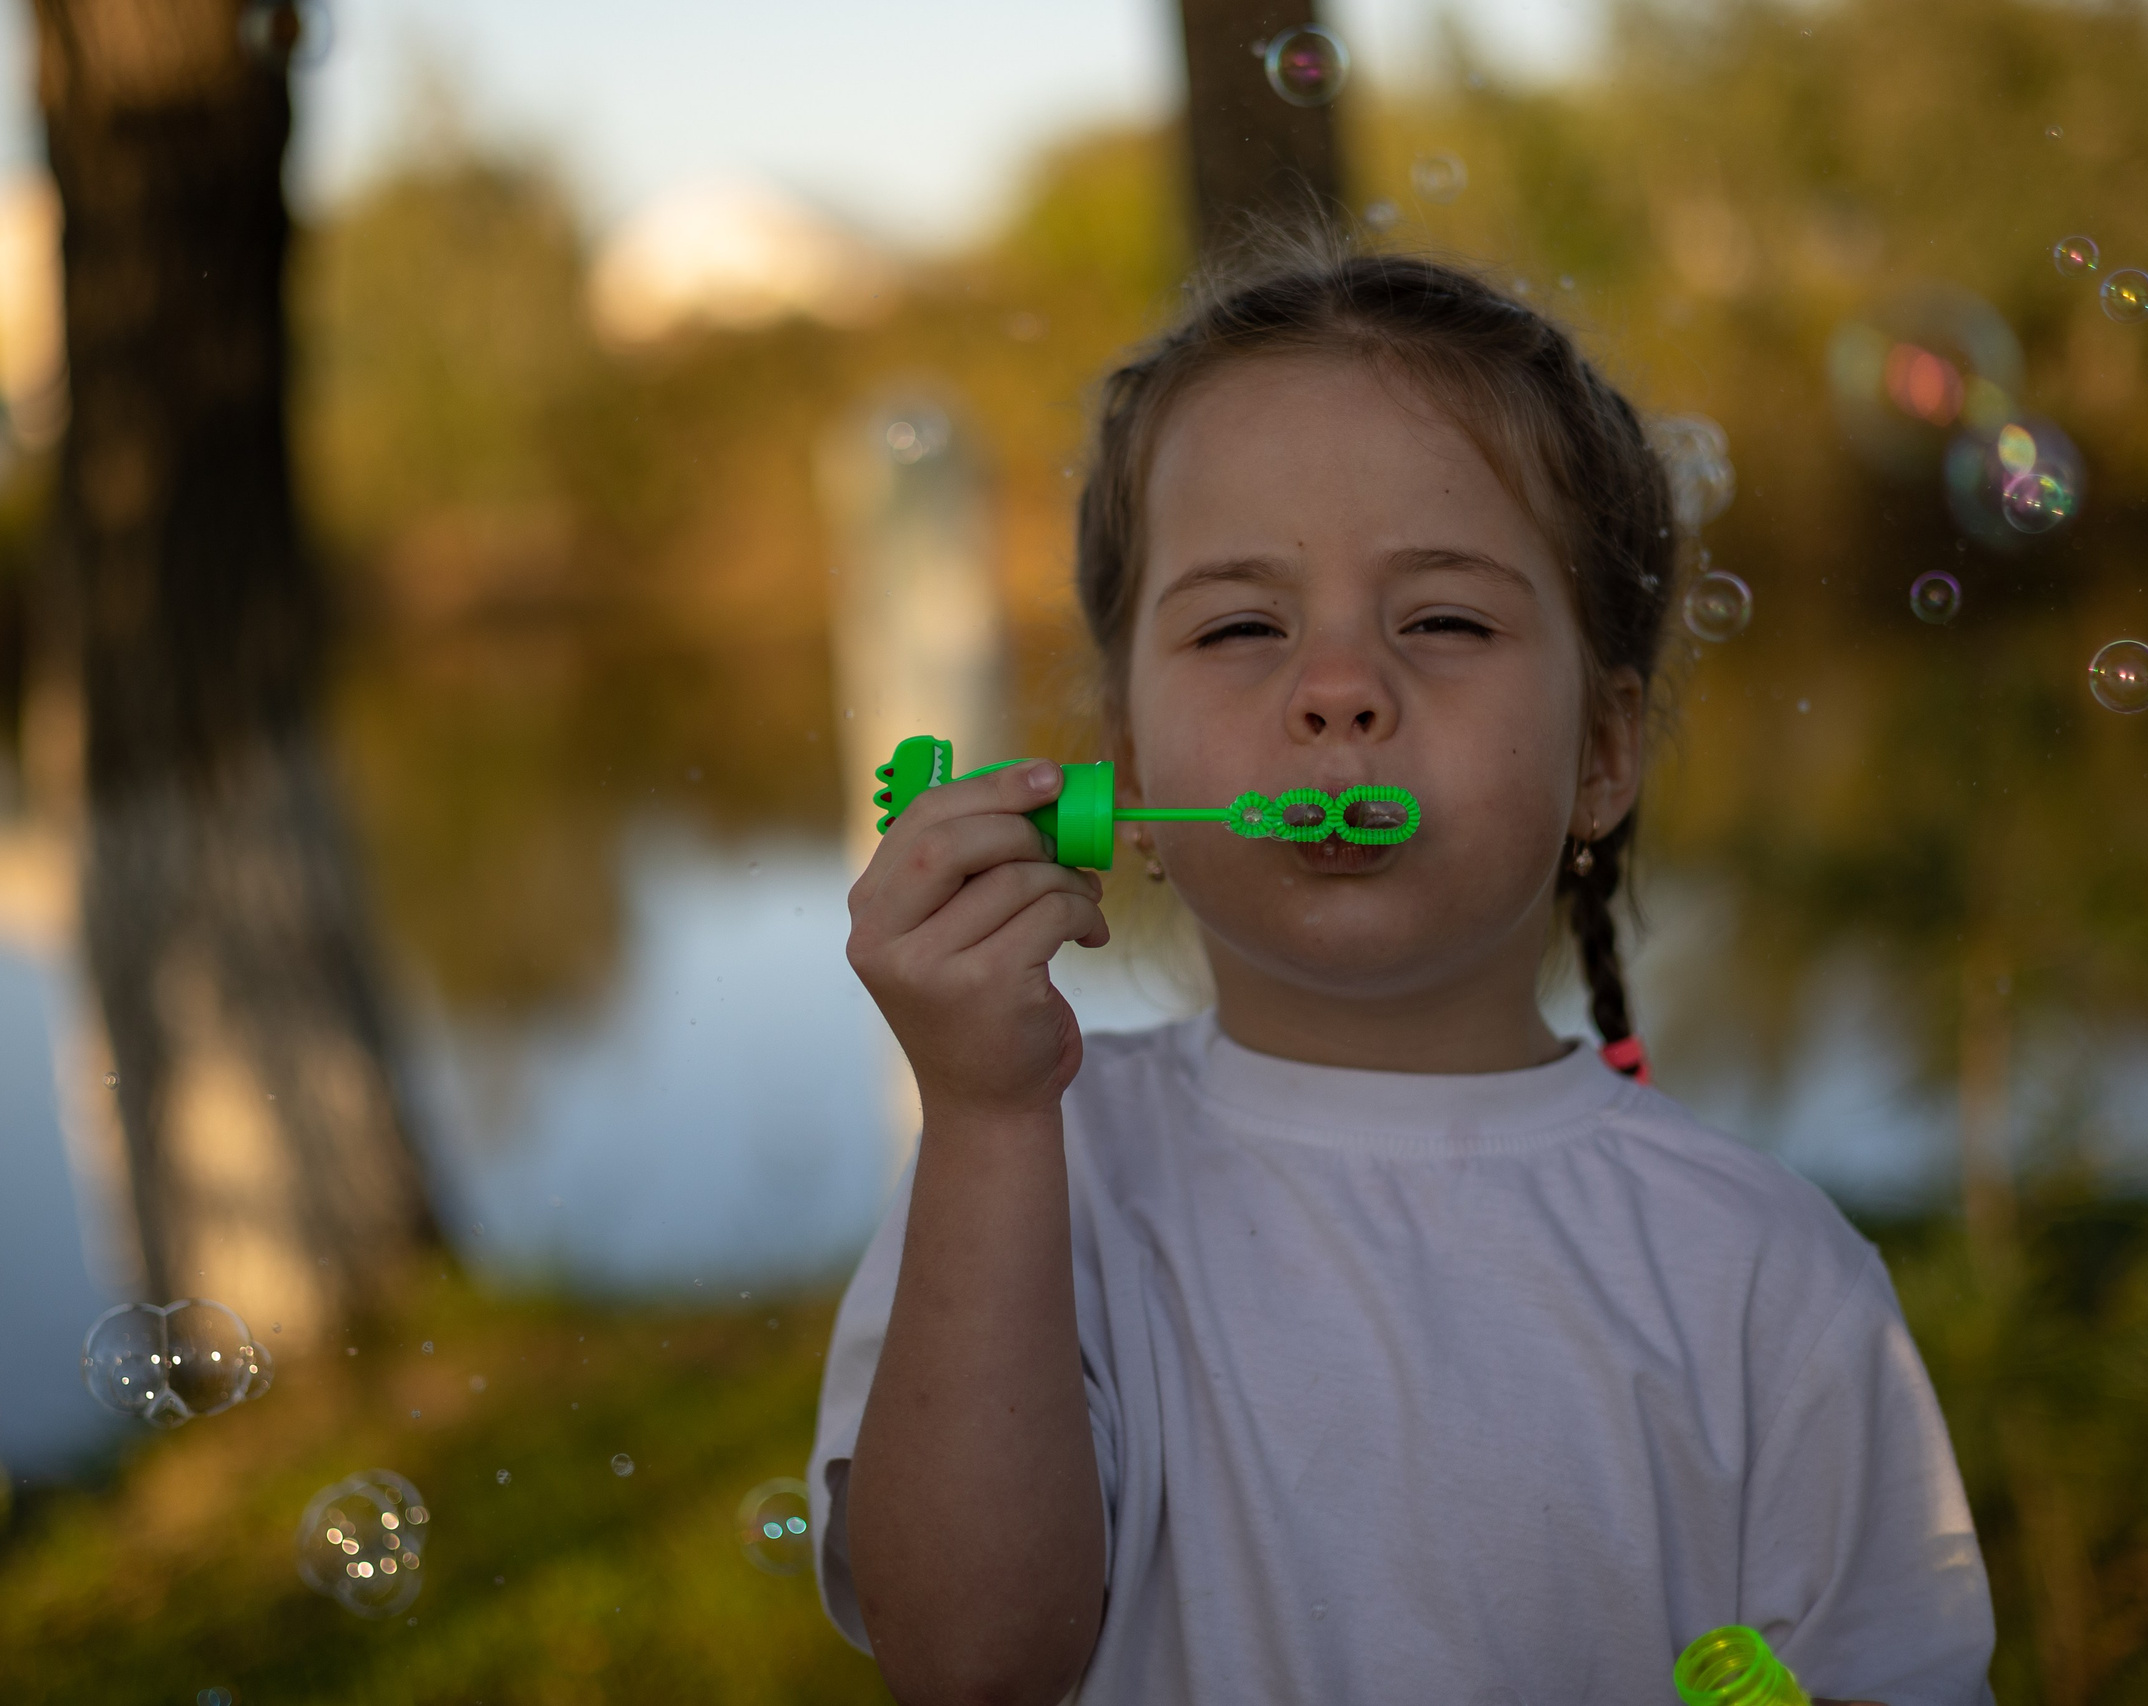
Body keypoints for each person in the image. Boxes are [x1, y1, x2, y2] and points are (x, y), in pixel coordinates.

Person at [813, 250, 1996, 1706]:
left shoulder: (1762, 1273)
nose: (1337, 686)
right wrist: (987, 1118)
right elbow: (971, 1666)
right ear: (1122, 763)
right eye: (1242, 625)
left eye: (1442, 618)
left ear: (1604, 754)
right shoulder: (1034, 1174)